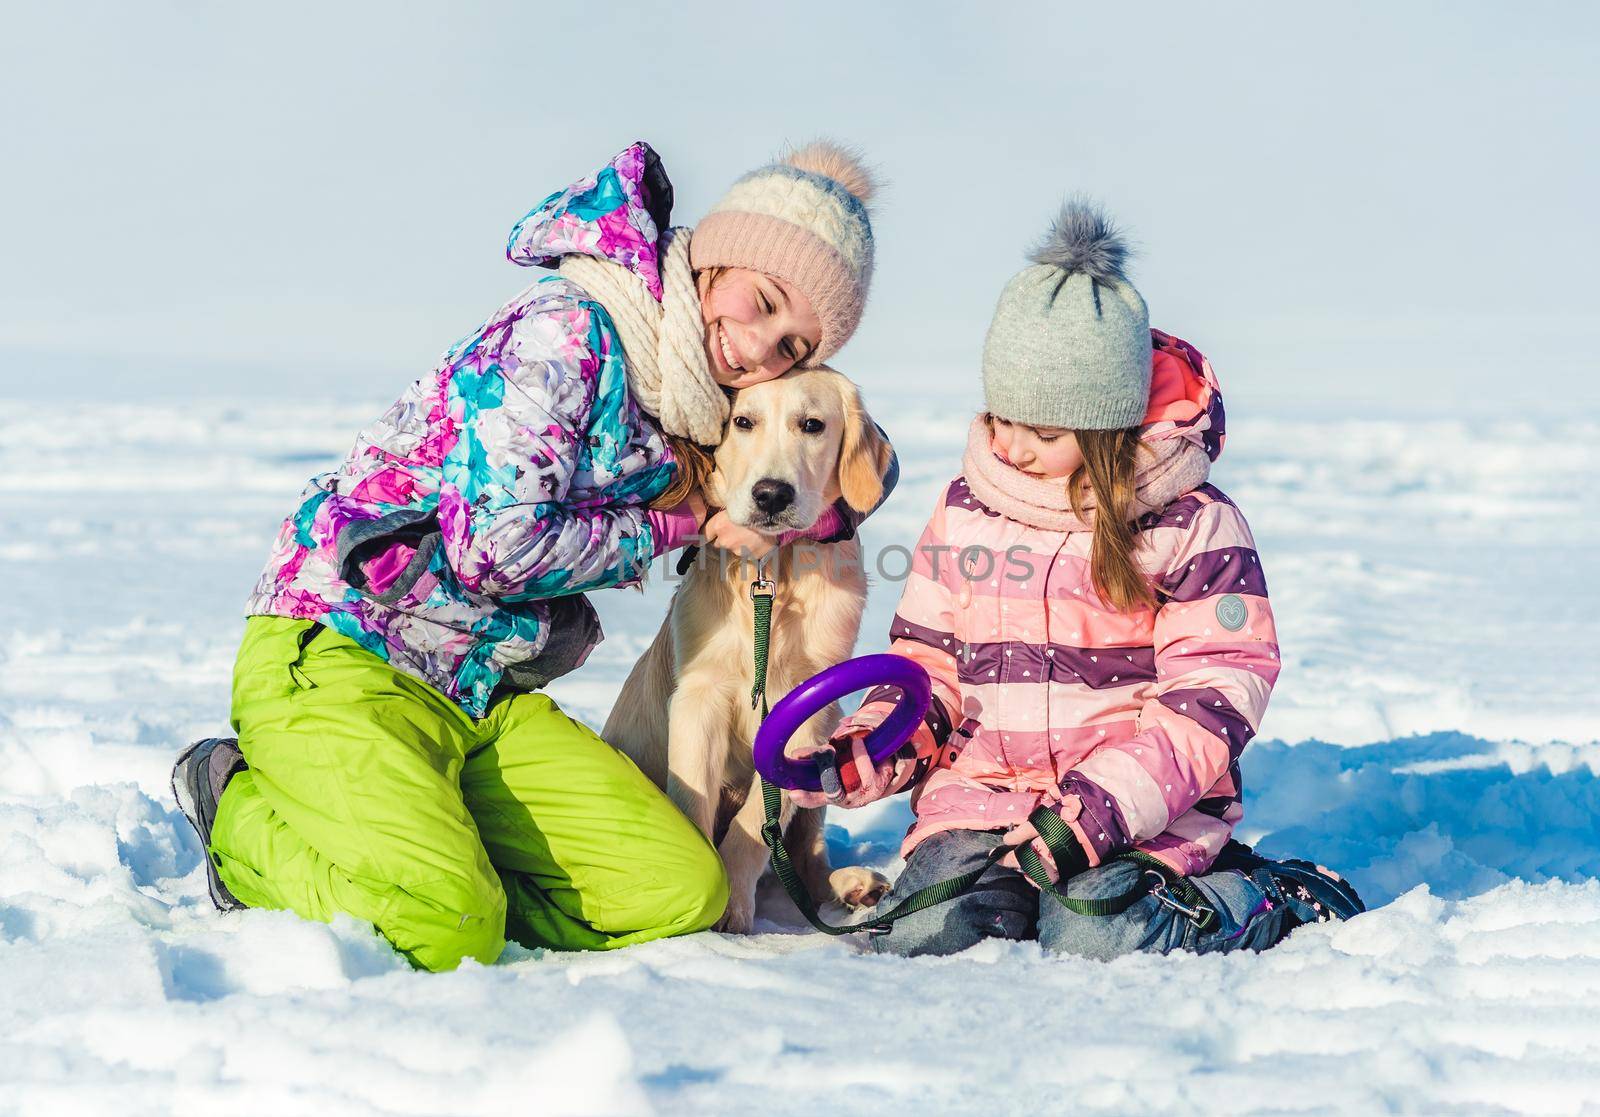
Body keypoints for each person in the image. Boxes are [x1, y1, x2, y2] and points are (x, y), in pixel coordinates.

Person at [171, 139, 895, 971]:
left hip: (480, 688)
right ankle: (233, 804)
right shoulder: (567, 332)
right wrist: (683, 526)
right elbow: (493, 550)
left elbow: (833, 447)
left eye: (794, 348)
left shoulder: (687, 393)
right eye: (762, 302)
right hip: (344, 648)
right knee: (449, 924)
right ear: (715, 261)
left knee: (680, 893)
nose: (762, 348)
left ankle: (430, 855)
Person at [796, 200, 1360, 959]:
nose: (1013, 447)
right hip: (983, 800)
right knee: (926, 928)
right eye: (1001, 418)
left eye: (1047, 432)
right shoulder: (966, 509)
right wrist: (869, 748)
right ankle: (1011, 896)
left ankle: (1265, 897)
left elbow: (1215, 691)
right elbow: (930, 670)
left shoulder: (1187, 523)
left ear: (1106, 426)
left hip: (1136, 812)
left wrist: (1097, 810)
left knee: (1099, 931)